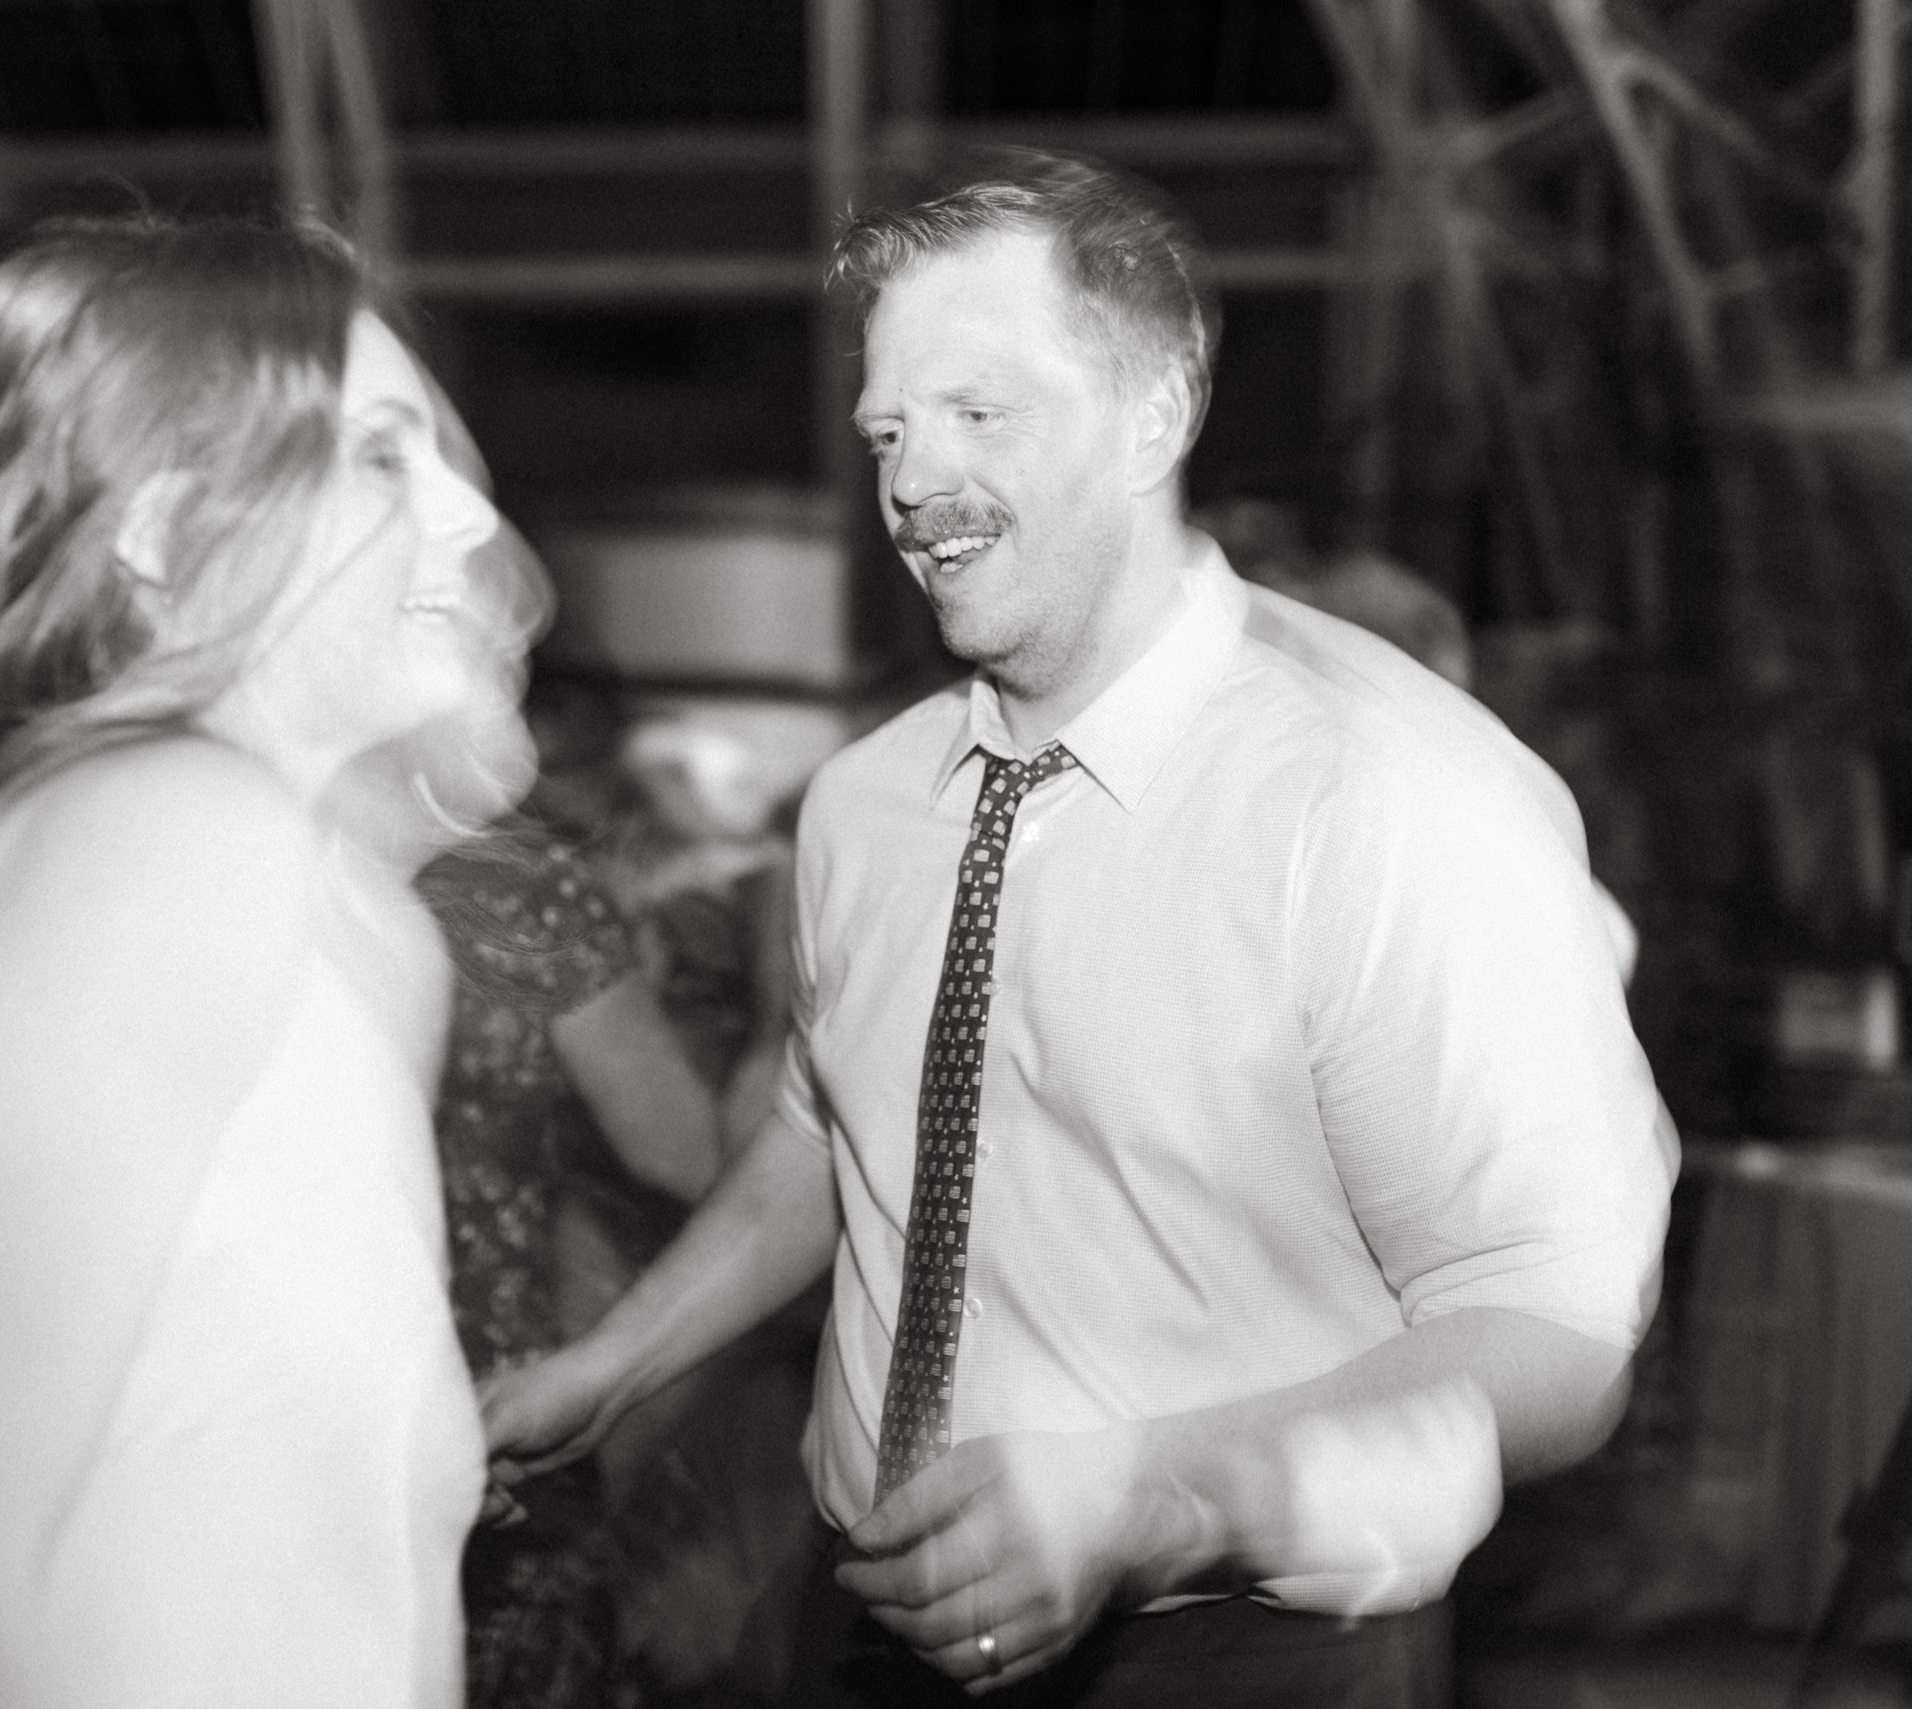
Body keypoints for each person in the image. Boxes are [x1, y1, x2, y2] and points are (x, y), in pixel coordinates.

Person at [479, 151, 1676, 1707]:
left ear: (1154, 414)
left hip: (1235, 1654)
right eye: (889, 431)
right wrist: (615, 1361)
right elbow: (823, 1136)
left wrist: (1158, 1498)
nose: (913, 483)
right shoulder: (863, 804)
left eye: (981, 413)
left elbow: (1557, 1331)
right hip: (865, 1614)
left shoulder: (1395, 796)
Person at [0, 215, 544, 1709]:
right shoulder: (170, 842)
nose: (464, 514)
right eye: (379, 457)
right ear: (171, 530)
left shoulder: (330, 905)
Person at [417, 813, 726, 1709]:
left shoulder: (197, 863)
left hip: (273, 1405)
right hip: (495, 1407)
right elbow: (679, 1148)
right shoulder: (516, 889)